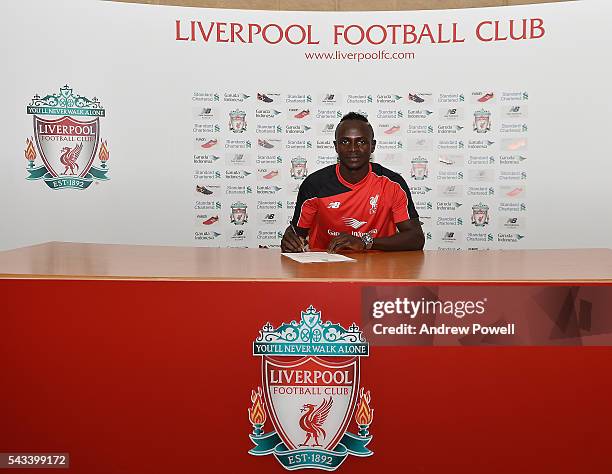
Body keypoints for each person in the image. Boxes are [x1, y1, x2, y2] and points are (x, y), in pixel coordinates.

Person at [281, 112, 424, 253]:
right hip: (326, 267)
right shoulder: (314, 184)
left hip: (378, 267)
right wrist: (290, 240)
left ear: (372, 146)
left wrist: (365, 242)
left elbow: (416, 238)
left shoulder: (392, 183)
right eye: (345, 142)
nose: (353, 149)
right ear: (336, 146)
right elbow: (297, 232)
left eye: (361, 142)